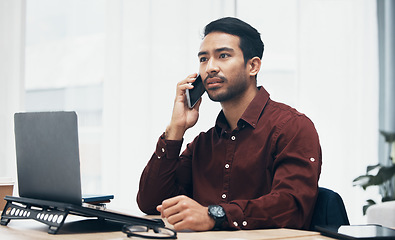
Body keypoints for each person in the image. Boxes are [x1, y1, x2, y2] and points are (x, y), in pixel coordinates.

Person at [137, 17, 322, 231]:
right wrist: (176, 129)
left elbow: (291, 208)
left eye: (223, 56)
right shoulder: (203, 144)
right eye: (204, 59)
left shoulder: (293, 127)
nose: (210, 68)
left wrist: (215, 216)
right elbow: (151, 203)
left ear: (253, 66)